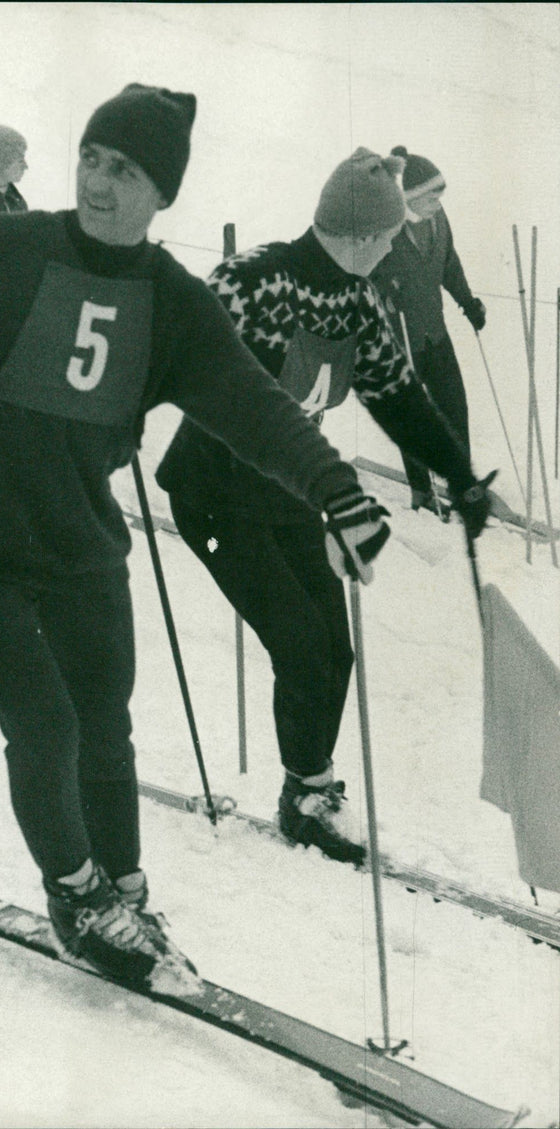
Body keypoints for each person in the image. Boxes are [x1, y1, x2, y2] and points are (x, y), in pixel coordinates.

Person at [0, 85, 395, 987]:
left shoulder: (174, 303)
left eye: (127, 170)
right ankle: (76, 894)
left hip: (80, 540)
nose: (101, 183)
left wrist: (338, 492)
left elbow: (256, 410)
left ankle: (125, 890)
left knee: (107, 723)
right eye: (93, 160)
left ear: (162, 194)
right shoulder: (3, 246)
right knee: (47, 723)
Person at [156, 148, 494, 866]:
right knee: (303, 647)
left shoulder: (357, 301)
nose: (392, 248)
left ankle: (309, 785)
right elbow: (171, 346)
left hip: (287, 487)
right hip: (213, 492)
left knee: (332, 648)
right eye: (391, 236)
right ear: (369, 237)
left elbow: (398, 396)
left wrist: (460, 475)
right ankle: (305, 797)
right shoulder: (257, 281)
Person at [371, 146, 487, 516]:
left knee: (455, 409)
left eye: (440, 197)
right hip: (401, 338)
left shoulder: (439, 221)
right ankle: (421, 491)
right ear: (412, 199)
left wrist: (468, 302)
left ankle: (462, 485)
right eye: (432, 198)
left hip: (434, 333)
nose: (438, 203)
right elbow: (364, 271)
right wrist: (382, 293)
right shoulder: (388, 226)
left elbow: (449, 265)